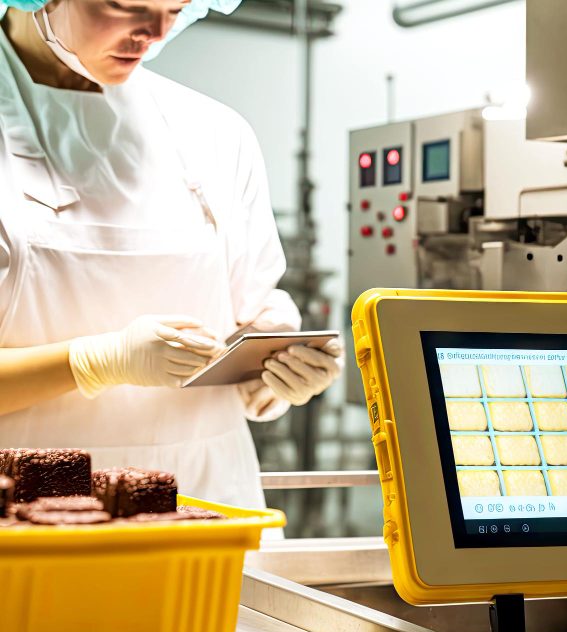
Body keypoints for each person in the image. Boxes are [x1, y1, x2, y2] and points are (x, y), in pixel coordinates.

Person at [0, 0, 342, 508]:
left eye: (175, 7)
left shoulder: (215, 133)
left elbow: (250, 312)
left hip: (210, 511)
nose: (156, 33)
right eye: (125, 6)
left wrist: (276, 369)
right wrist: (92, 363)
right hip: (28, 526)